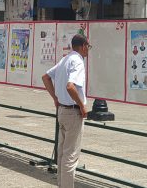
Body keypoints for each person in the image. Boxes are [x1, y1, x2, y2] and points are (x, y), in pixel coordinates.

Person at [42, 34, 90, 188]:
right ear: (83, 46)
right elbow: (71, 86)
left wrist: (55, 98)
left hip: (62, 110)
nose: (88, 50)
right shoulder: (78, 61)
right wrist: (81, 105)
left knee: (62, 153)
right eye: (88, 47)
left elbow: (45, 77)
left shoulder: (65, 59)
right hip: (73, 112)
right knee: (70, 156)